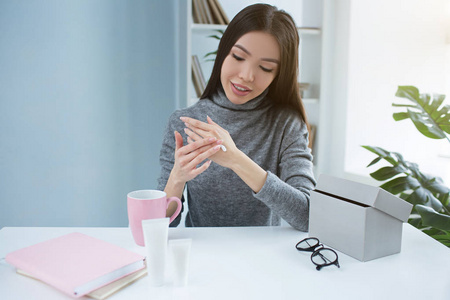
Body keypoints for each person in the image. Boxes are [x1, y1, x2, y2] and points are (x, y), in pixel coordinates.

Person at [157, 3, 316, 231]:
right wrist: (176, 178)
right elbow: (160, 226)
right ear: (224, 52)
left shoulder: (286, 125)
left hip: (267, 259)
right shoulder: (184, 123)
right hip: (203, 258)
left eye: (266, 68)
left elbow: (308, 216)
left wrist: (236, 160)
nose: (246, 76)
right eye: (239, 57)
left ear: (278, 75)